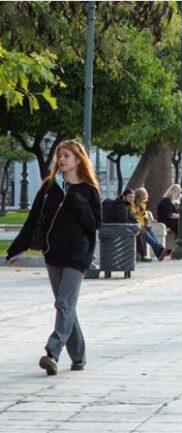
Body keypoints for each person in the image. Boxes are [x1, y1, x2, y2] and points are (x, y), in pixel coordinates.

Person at [5, 140, 101, 376]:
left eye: (66, 155)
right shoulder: (49, 187)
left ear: (78, 159)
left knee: (64, 304)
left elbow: (95, 224)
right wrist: (16, 249)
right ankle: (79, 357)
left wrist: (75, 200)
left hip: (78, 254)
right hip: (53, 252)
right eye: (60, 155)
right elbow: (32, 220)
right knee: (65, 305)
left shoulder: (88, 190)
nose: (61, 159)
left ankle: (52, 352)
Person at [132, 188, 171, 261]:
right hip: (136, 226)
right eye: (140, 200)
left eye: (143, 200)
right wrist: (141, 225)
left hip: (142, 225)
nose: (141, 202)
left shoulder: (142, 206)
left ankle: (159, 252)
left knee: (150, 231)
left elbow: (144, 217)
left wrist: (147, 224)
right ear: (136, 198)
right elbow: (134, 218)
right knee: (145, 233)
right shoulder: (132, 206)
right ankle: (160, 250)